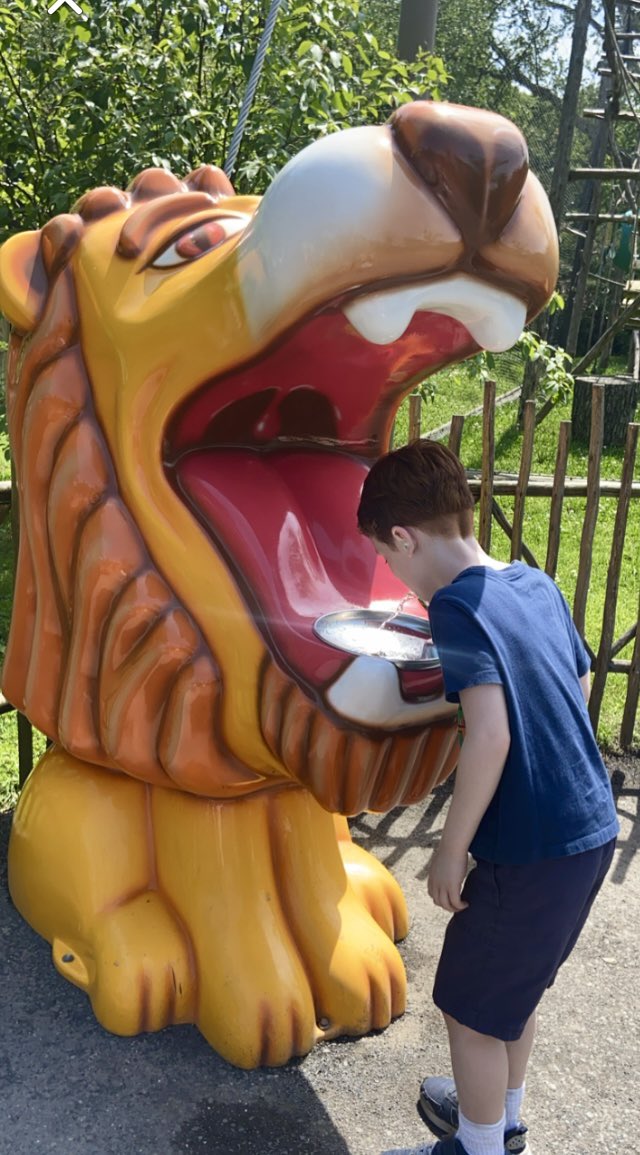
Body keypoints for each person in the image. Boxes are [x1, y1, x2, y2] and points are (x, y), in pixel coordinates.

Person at [356, 439, 619, 1155]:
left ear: (403, 538)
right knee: (511, 994)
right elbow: (581, 677)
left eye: (386, 557)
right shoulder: (534, 583)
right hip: (588, 830)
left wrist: (448, 849)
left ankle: (475, 1146)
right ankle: (500, 1117)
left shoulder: (455, 608)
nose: (393, 573)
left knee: (468, 1009)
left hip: (528, 849)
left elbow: (491, 736)